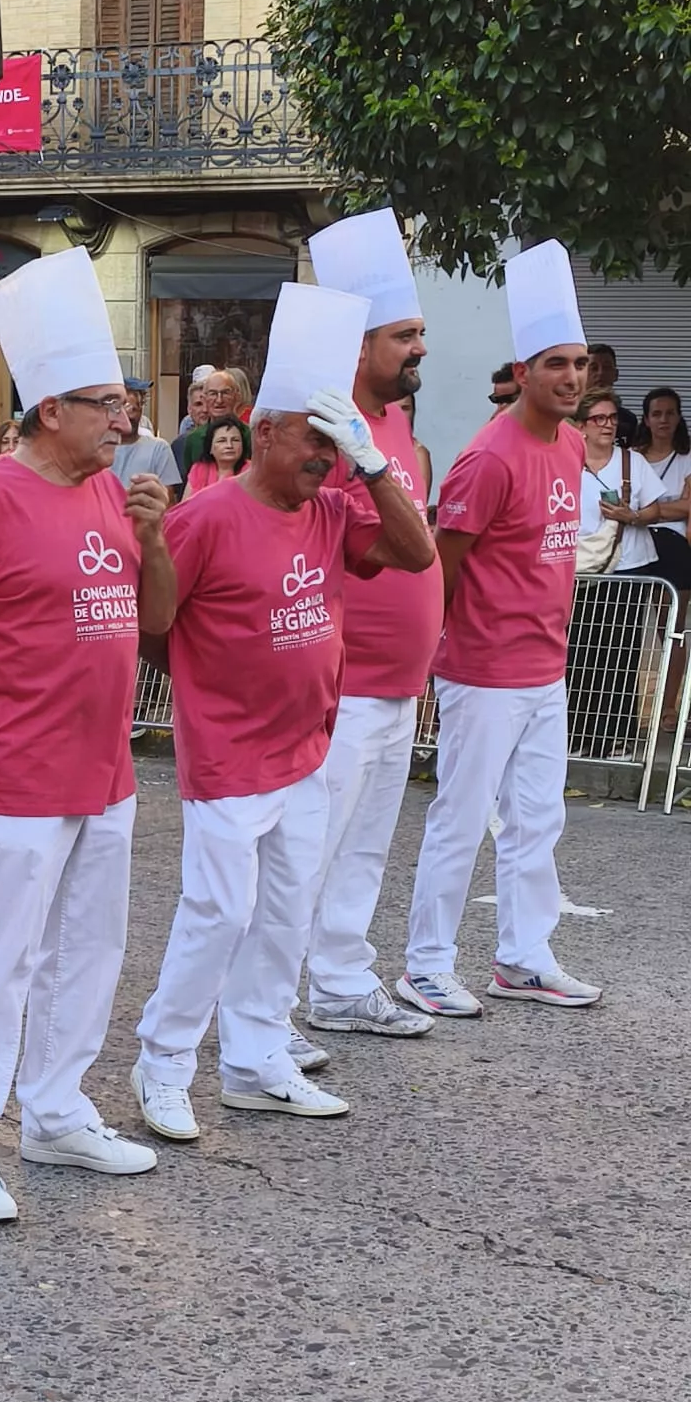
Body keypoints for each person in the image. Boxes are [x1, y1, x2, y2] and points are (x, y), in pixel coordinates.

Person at [0, 247, 177, 1224]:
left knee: (89, 948)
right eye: (105, 401)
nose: (123, 416)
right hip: (14, 773)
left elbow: (156, 626)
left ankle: (57, 1110)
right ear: (50, 408)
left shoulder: (113, 489)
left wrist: (152, 539)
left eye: (124, 400)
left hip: (103, 770)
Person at [132, 284, 435, 1141]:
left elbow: (414, 552)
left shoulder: (335, 508)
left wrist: (370, 460)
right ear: (264, 432)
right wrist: (202, 677)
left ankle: (256, 1059)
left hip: (307, 750)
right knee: (218, 913)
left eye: (335, 440)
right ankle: (163, 1060)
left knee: (285, 913)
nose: (323, 457)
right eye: (315, 436)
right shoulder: (209, 516)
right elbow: (156, 621)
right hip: (229, 755)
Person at [400, 240, 601, 1017]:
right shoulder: (486, 458)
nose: (572, 378)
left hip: (545, 666)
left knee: (538, 818)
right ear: (521, 372)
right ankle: (425, 964)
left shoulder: (575, 444)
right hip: (481, 670)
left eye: (579, 364)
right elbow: (440, 568)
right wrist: (430, 663)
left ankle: (522, 956)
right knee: (459, 817)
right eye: (556, 364)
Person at [295, 209, 447, 1042]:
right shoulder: (318, 422)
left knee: (364, 851)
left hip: (397, 681)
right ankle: (266, 1012)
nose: (421, 349)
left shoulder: (394, 423)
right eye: (406, 335)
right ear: (358, 346)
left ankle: (343, 983)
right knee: (306, 855)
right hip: (339, 679)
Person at [567, 390, 659, 758]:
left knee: (620, 653)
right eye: (599, 419)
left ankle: (614, 735)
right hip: (578, 567)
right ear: (581, 427)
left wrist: (632, 516)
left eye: (612, 418)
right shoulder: (564, 460)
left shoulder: (631, 462)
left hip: (629, 565)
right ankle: (576, 731)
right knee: (578, 652)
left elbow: (655, 509)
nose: (608, 425)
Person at [632, 387, 691, 592]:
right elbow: (623, 504)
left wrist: (646, 511)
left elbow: (689, 507)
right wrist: (673, 508)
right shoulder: (631, 458)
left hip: (674, 541)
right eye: (656, 414)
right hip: (636, 539)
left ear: (678, 418)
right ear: (647, 420)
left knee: (671, 618)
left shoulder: (688, 457)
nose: (663, 419)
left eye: (670, 413)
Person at [112, 383, 181, 492]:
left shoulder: (159, 449)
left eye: (133, 409)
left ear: (141, 411)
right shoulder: (100, 450)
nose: (129, 416)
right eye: (123, 410)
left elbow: (168, 500)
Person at [177, 371, 243, 478]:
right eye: (213, 393)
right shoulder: (194, 439)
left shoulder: (250, 436)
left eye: (225, 393)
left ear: (237, 396)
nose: (219, 400)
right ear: (204, 398)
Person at [179, 416, 250, 499]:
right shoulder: (198, 469)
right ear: (210, 448)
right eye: (222, 441)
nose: (229, 445)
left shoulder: (252, 471)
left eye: (235, 440)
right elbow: (185, 506)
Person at [174, 369, 211, 444]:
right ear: (189, 409)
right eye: (198, 404)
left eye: (208, 403)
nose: (205, 409)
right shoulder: (179, 444)